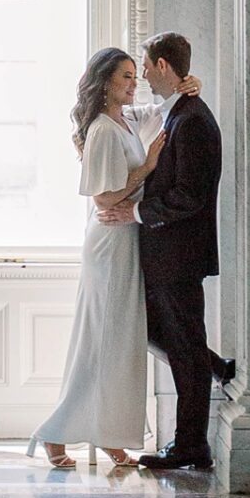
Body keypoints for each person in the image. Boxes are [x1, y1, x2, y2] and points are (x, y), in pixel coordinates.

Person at [24, 46, 161, 473]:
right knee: (101, 341)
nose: (133, 83)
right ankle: (56, 431)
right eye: (125, 76)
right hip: (110, 243)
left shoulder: (124, 119)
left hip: (126, 239)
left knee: (119, 343)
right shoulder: (103, 129)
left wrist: (194, 84)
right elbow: (105, 197)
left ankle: (110, 434)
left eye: (135, 76)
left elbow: (161, 107)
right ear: (104, 82)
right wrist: (149, 165)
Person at [104, 30, 234, 474]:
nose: (140, 75)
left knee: (183, 351)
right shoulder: (172, 112)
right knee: (176, 343)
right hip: (165, 257)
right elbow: (126, 112)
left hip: (178, 257)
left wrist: (135, 213)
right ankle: (216, 369)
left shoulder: (193, 120)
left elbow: (189, 197)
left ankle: (190, 445)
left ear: (162, 65)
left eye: (143, 65)